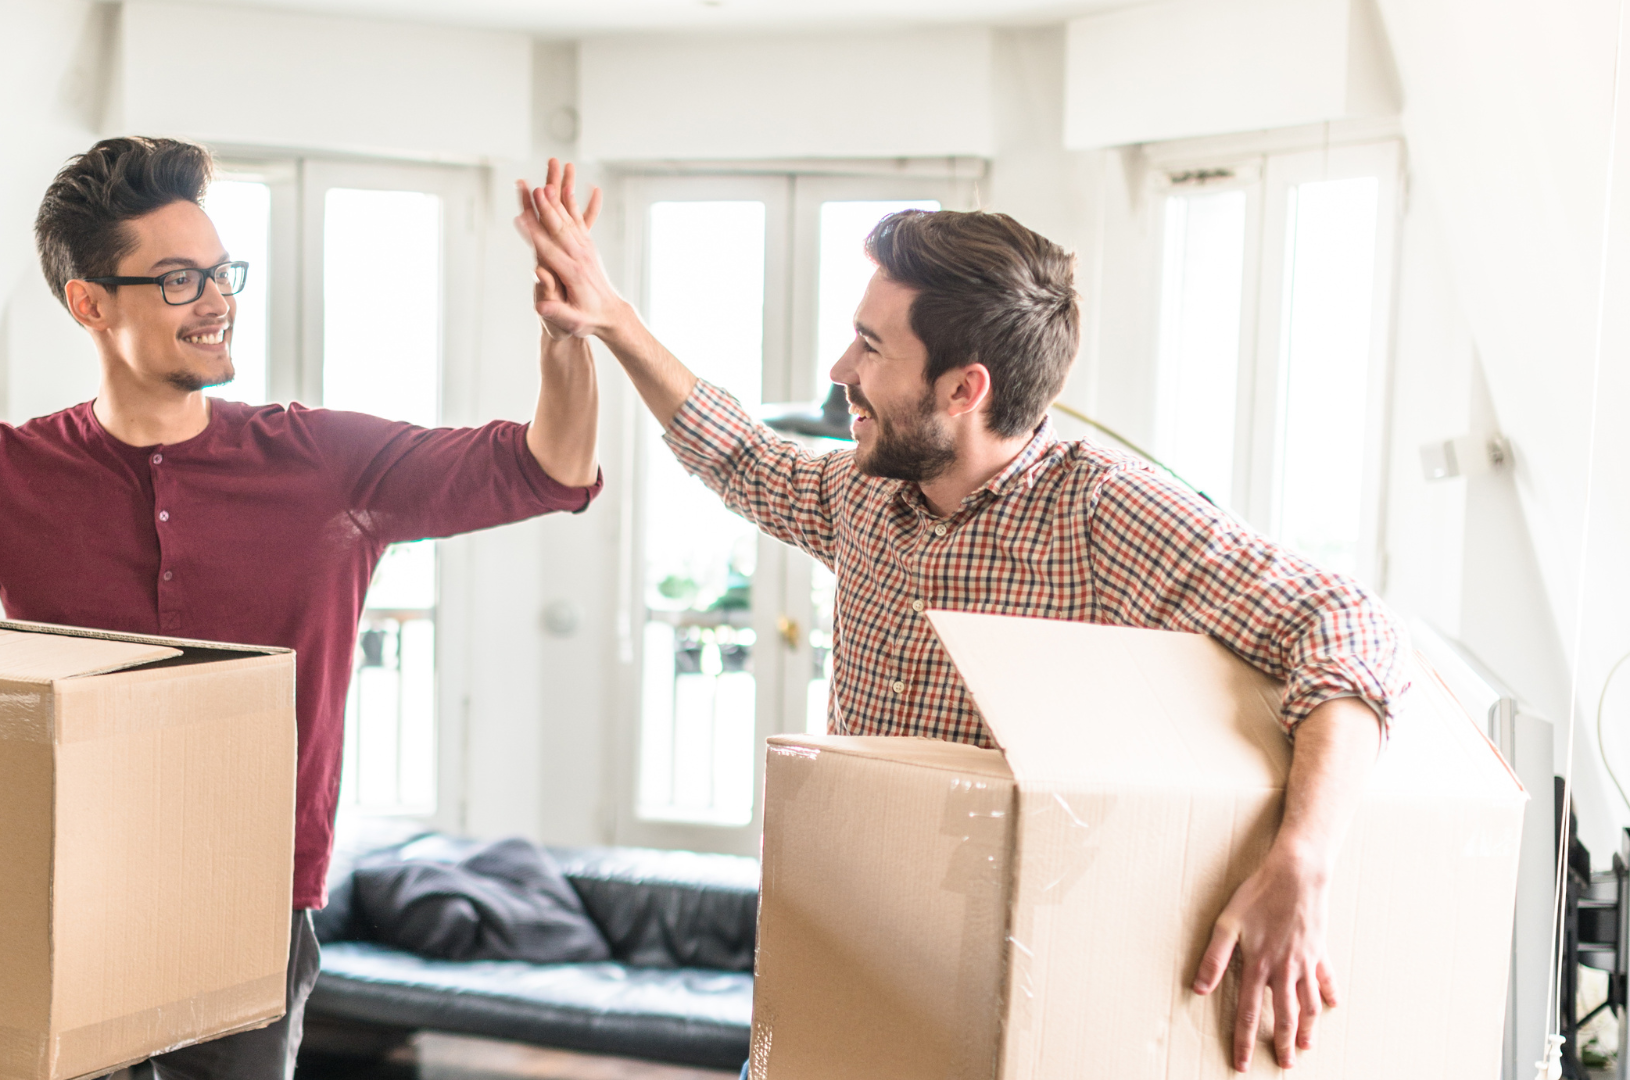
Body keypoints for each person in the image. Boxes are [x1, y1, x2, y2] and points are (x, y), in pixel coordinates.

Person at [514, 159, 1400, 1075]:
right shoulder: (865, 494)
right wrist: (610, 316)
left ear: (962, 389)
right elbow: (741, 454)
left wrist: (1304, 860)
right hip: (837, 956)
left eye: (870, 347)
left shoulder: (1100, 514)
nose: (839, 371)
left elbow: (1346, 628)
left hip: (1000, 997)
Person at [0, 137, 603, 1080]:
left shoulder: (326, 467)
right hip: (61, 906)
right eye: (177, 279)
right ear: (90, 303)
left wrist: (569, 335)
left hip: (250, 911)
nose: (216, 299)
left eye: (220, 271)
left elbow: (548, 468)